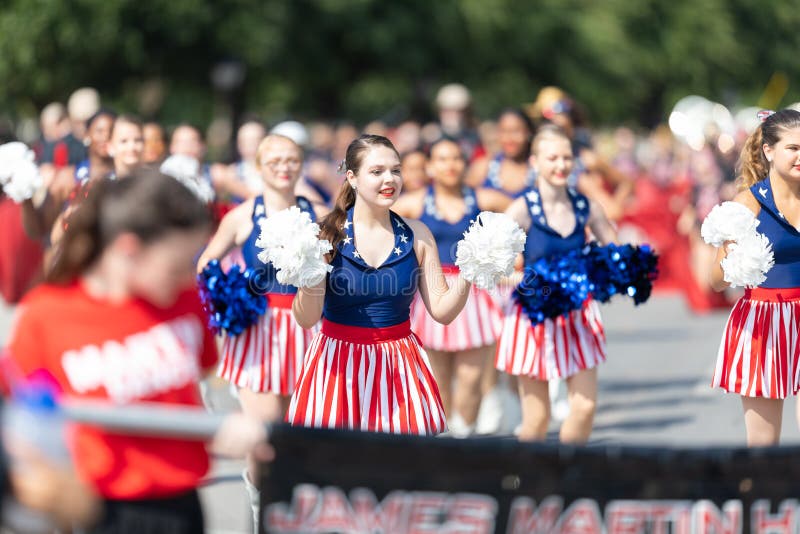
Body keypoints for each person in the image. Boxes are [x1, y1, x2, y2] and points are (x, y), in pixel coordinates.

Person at [4, 170, 268, 532]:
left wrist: (225, 430)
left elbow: (185, 398)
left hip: (180, 505)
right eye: (177, 266)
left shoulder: (185, 303)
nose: (187, 279)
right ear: (129, 249)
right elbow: (16, 413)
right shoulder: (47, 314)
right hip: (94, 509)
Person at [287, 134, 472, 435]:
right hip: (337, 364)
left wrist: (472, 271)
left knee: (396, 471)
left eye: (396, 170)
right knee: (337, 472)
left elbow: (443, 311)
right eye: (377, 171)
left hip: (399, 364)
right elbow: (306, 318)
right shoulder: (323, 234)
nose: (390, 179)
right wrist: (310, 273)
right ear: (353, 177)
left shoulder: (418, 234)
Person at [197, 134, 324, 525]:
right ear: (259, 166)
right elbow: (205, 266)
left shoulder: (317, 212)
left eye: (292, 160)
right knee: (263, 429)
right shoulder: (243, 215)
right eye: (275, 161)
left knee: (294, 432)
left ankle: (288, 511)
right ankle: (259, 507)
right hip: (260, 331)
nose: (284, 167)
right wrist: (234, 296)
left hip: (306, 326)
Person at [496, 125, 617, 443]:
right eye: (552, 158)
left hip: (577, 314)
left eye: (567, 157)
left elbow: (615, 255)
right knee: (537, 419)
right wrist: (529, 281)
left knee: (585, 406)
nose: (561, 165)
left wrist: (607, 270)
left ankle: (563, 477)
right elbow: (492, 267)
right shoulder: (521, 210)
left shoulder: (586, 207)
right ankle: (523, 484)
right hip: (534, 315)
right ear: (535, 162)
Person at [393, 138, 510, 436]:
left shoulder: (484, 199)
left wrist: (512, 258)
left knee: (472, 380)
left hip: (474, 295)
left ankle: (463, 435)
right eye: (442, 159)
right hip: (431, 294)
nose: (450, 165)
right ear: (430, 166)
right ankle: (442, 440)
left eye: (457, 158)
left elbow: (519, 221)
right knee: (438, 378)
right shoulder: (413, 202)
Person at [709, 109, 800, 447]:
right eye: (793, 148)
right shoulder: (747, 204)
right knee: (762, 448)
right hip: (764, 323)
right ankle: (757, 498)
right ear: (769, 151)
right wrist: (736, 263)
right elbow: (715, 280)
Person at [467, 108, 536, 198]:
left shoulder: (539, 169)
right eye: (504, 131)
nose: (510, 138)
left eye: (516, 131)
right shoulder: (482, 169)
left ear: (528, 132)